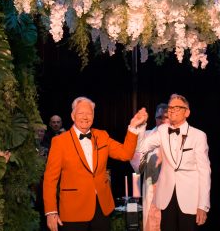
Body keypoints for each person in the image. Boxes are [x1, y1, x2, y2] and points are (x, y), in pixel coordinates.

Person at [43, 97, 147, 230]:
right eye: (81, 113)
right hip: (73, 209)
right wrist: (51, 211)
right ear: (73, 116)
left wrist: (133, 127)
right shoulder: (60, 142)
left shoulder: (102, 136)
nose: (85, 117)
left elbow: (126, 154)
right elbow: (50, 179)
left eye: (89, 113)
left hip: (101, 208)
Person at [132, 95, 210, 230]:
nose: (172, 110)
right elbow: (141, 147)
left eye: (177, 107)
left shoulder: (198, 135)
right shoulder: (162, 131)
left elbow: (204, 172)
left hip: (189, 199)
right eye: (170, 108)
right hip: (166, 198)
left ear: (187, 112)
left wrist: (203, 205)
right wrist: (139, 127)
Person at [130, 102, 168, 231]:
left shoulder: (177, 136)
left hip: (171, 191)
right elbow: (136, 166)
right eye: (159, 117)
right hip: (152, 189)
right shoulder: (146, 135)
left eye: (166, 117)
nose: (162, 120)